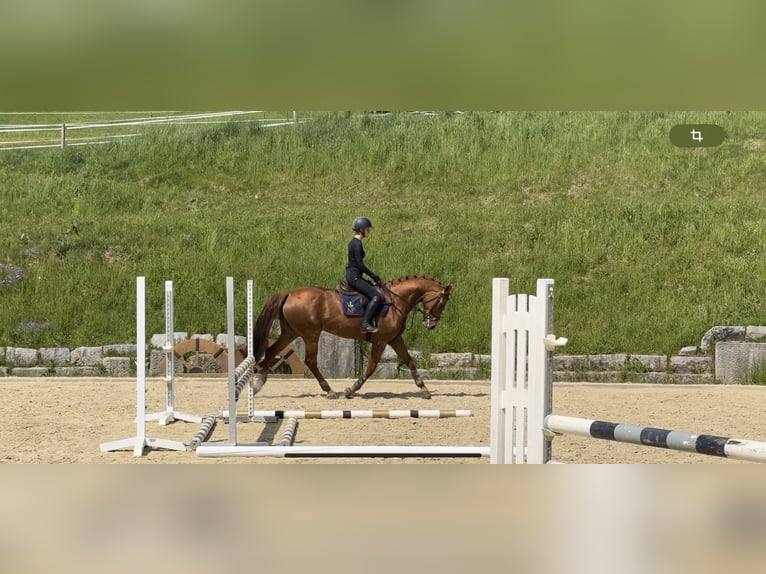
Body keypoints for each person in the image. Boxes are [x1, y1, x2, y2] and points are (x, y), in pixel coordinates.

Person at [346, 216, 382, 333]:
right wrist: (373, 276)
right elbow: (360, 264)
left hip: (355, 275)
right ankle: (365, 324)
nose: (368, 231)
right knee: (376, 296)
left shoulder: (355, 242)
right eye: (367, 229)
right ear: (361, 229)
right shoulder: (356, 243)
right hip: (354, 277)